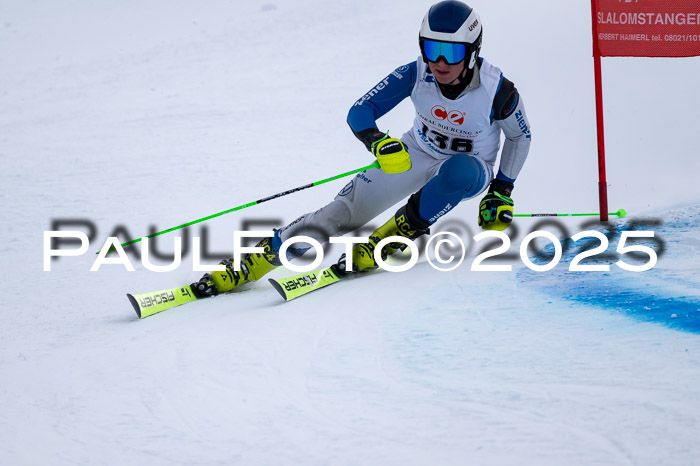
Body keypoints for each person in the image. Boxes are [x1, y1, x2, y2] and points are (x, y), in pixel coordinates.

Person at [191, 0, 532, 297]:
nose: (440, 62)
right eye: (431, 48)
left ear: (473, 51)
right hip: (415, 152)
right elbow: (360, 111)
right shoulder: (416, 73)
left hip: (469, 168)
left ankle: (393, 236)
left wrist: (501, 189)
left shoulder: (497, 90)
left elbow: (520, 136)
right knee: (338, 214)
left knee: (460, 170)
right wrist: (377, 141)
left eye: (453, 52)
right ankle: (259, 260)